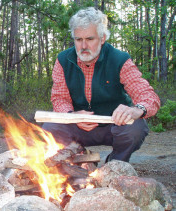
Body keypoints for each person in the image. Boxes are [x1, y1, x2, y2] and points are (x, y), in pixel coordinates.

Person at [42, 7, 160, 162]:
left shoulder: (119, 59)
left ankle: (115, 165)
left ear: (102, 38)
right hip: (78, 126)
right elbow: (59, 99)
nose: (83, 46)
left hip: (114, 126)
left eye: (90, 39)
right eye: (78, 39)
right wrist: (72, 116)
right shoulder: (64, 60)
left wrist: (137, 110)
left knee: (136, 128)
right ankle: (78, 161)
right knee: (50, 128)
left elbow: (148, 95)